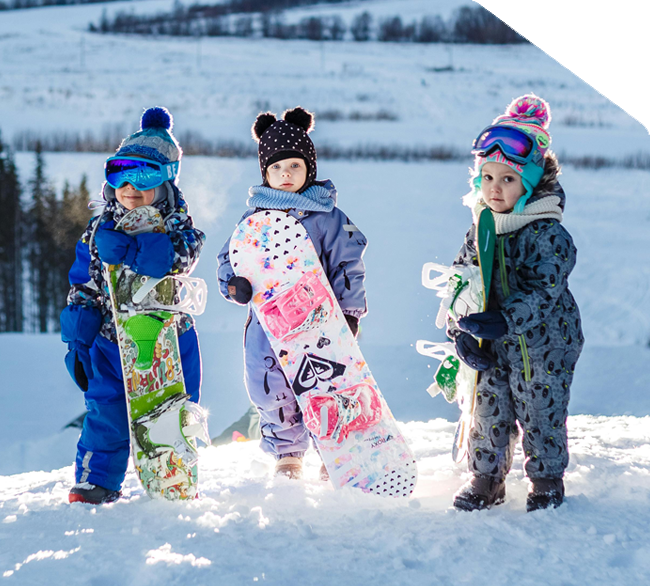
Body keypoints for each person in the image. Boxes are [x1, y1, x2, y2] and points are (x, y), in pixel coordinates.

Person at [60, 107, 206, 504]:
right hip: (111, 340)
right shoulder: (98, 229)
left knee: (168, 411)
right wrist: (78, 338)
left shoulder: (178, 226)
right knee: (105, 411)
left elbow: (180, 258)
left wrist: (136, 249)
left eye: (144, 176)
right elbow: (84, 283)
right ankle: (97, 482)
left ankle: (172, 477)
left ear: (167, 180)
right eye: (119, 174)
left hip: (168, 344)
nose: (130, 186)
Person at [447, 94, 583, 512]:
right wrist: (461, 333)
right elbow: (461, 287)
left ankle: (545, 479)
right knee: (488, 410)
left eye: (507, 179)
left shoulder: (548, 233)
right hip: (493, 345)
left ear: (532, 180)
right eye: (487, 177)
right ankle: (486, 478)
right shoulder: (481, 230)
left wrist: (506, 320)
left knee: (540, 410)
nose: (494, 188)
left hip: (545, 346)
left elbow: (545, 291)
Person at [217, 107, 368, 480]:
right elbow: (230, 257)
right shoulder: (254, 218)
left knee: (326, 384)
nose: (286, 175)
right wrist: (234, 285)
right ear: (265, 173)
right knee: (268, 385)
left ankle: (334, 447)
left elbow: (349, 264)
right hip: (267, 325)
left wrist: (349, 312)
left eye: (295, 167)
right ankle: (287, 452)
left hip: (321, 321)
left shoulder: (329, 216)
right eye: (277, 168)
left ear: (309, 169)